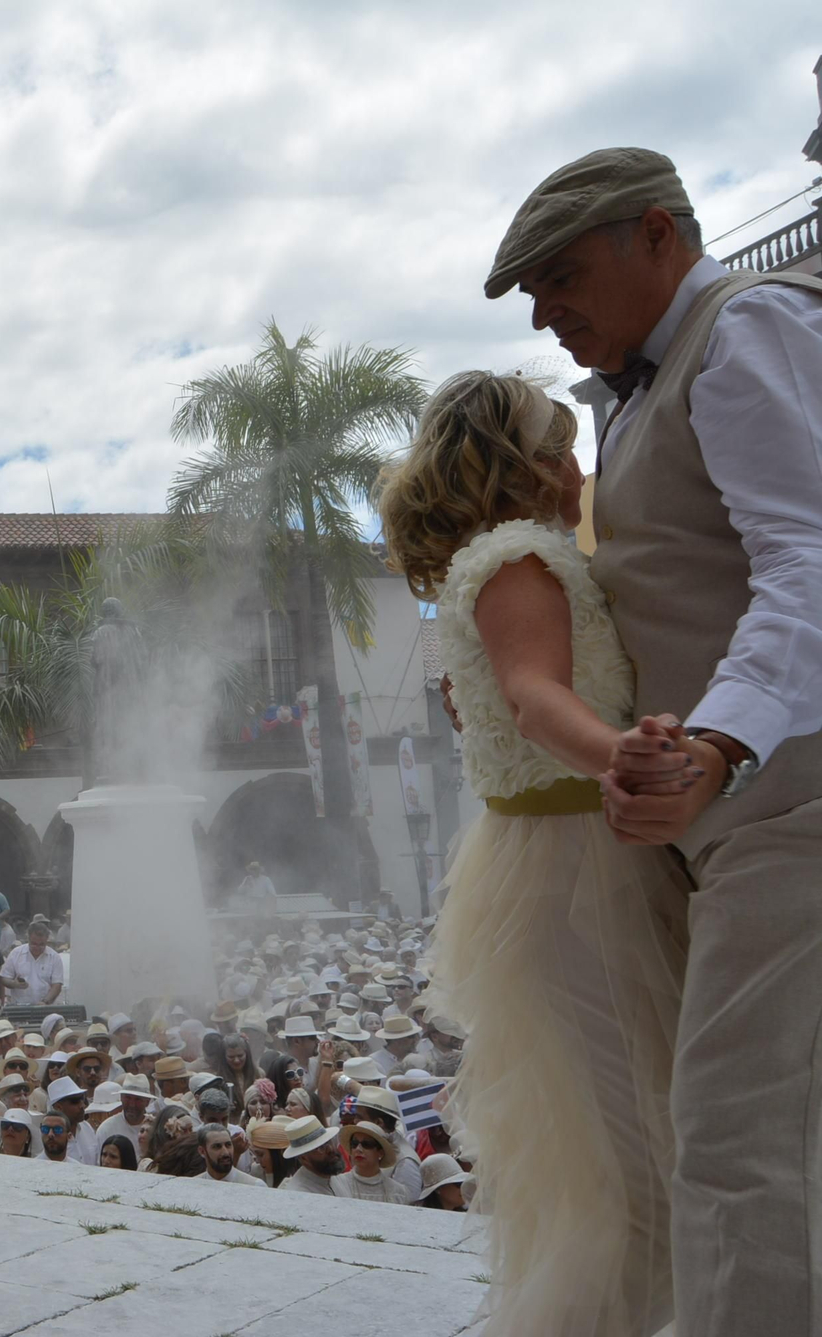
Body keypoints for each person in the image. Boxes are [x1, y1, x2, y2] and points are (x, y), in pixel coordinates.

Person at [488, 148, 822, 1337]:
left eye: (561, 274)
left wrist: (719, 746)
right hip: (744, 821)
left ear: (657, 236)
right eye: (530, 293)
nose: (544, 309)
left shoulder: (743, 333)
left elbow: (805, 562)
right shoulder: (654, 380)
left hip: (787, 810)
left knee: (732, 1142)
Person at [380, 362, 693, 1336]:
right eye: (564, 449)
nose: (577, 471)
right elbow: (532, 692)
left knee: (628, 1155)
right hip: (574, 871)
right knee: (642, 1161)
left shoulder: (502, 559)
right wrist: (622, 756)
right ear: (528, 466)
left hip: (551, 862)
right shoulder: (520, 554)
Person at [333, 1121, 411, 1205]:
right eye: (354, 1144)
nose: (358, 1149)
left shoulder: (399, 1193)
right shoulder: (337, 1184)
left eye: (367, 1144)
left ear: (380, 1152)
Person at [0, 916, 64, 1005]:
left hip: (44, 1006)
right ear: (28, 939)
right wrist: (14, 984)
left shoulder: (54, 957)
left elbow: (57, 985)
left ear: (47, 940)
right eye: (34, 944)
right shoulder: (16, 954)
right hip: (20, 1006)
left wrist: (45, 1002)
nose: (37, 948)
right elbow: (4, 978)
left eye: (41, 944)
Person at [196, 1125, 264, 1187]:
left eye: (228, 1145)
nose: (225, 1152)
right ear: (202, 1151)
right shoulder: (192, 1185)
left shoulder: (254, 1186)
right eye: (217, 1146)